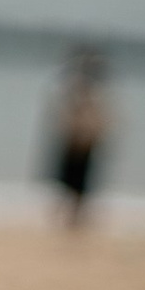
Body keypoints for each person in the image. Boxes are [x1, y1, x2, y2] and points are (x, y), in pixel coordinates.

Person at [43, 47, 110, 232]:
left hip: (84, 143)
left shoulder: (93, 91)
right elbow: (63, 116)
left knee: (79, 184)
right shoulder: (76, 89)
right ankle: (67, 218)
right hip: (74, 142)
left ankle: (74, 218)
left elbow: (100, 120)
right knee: (68, 182)